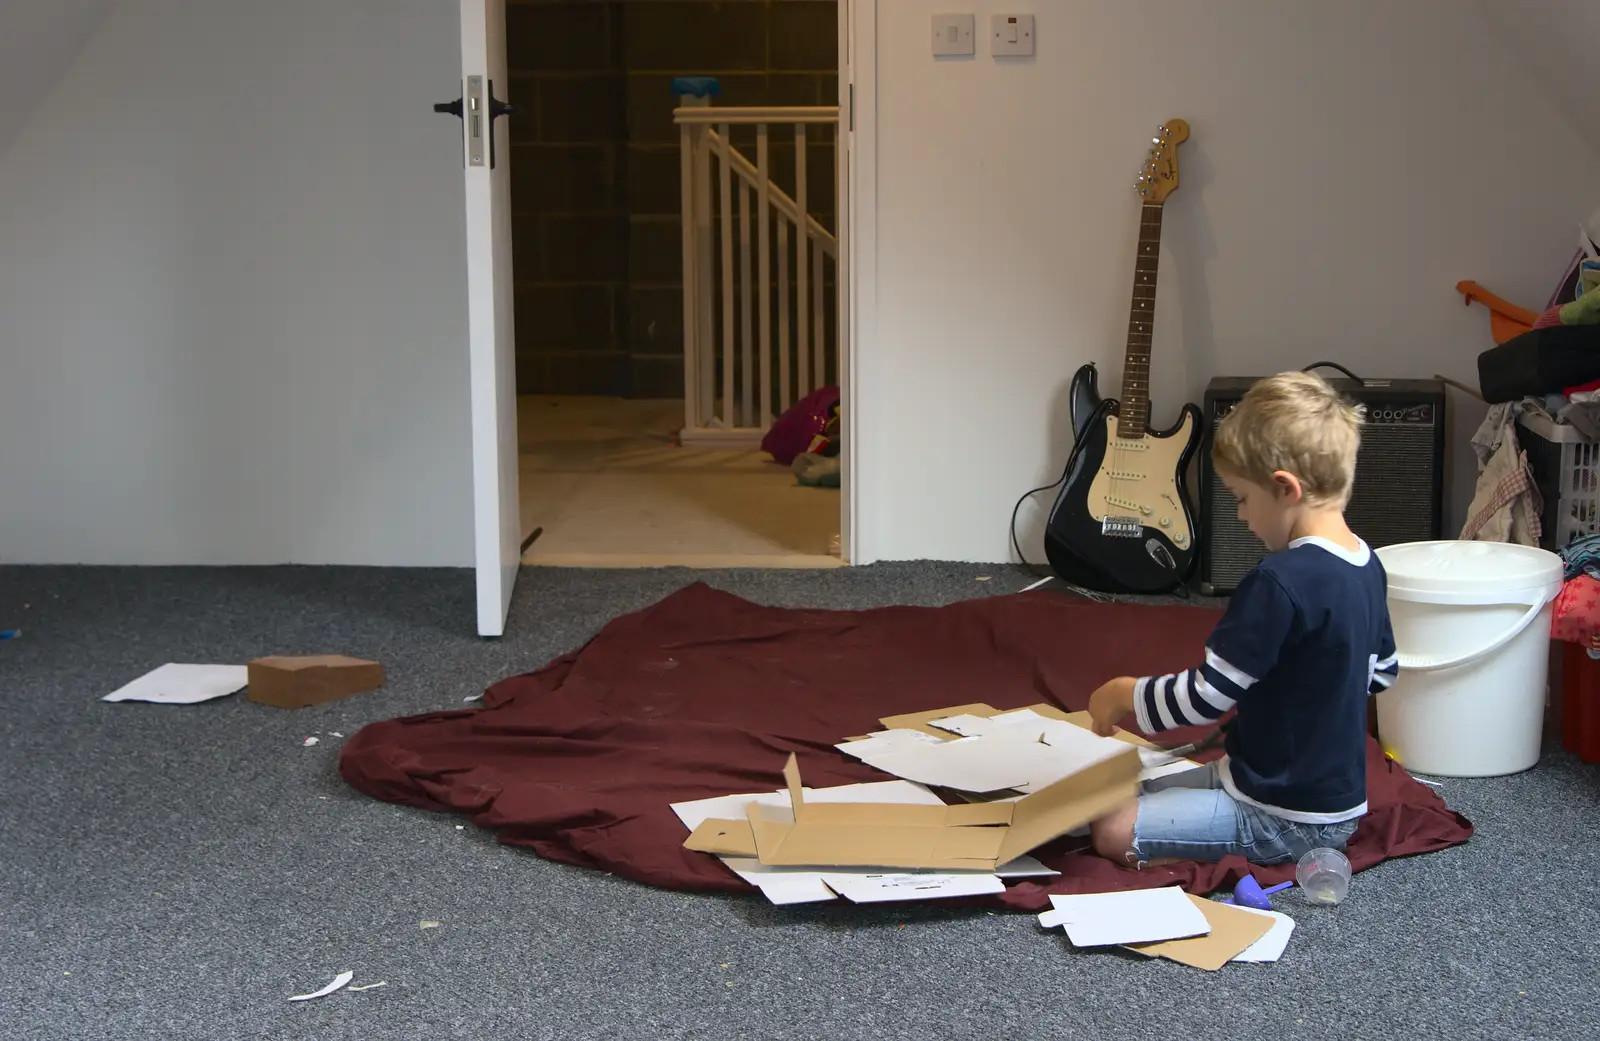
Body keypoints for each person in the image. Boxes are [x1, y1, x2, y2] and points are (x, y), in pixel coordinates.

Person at [1085, 370, 1397, 867]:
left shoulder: (1278, 582)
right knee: (1112, 784)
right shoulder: (1367, 562)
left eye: (1242, 498)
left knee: (1111, 826)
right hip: (1323, 800)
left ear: (1285, 489)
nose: (1240, 516)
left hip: (1281, 816)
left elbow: (1207, 698)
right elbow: (1382, 673)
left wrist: (1124, 692)